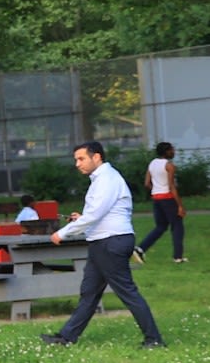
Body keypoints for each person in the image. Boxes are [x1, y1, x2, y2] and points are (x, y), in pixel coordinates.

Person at [41, 141, 165, 348]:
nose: (77, 164)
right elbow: (98, 213)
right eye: (76, 160)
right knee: (89, 292)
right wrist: (81, 218)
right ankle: (66, 337)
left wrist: (62, 233)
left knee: (127, 292)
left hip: (111, 242)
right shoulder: (101, 179)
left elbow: (95, 214)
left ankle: (154, 339)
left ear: (96, 157)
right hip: (103, 241)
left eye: (81, 159)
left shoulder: (107, 179)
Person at [135, 141, 186, 263]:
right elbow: (172, 186)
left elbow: (147, 183)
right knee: (177, 227)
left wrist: (157, 190)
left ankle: (140, 248)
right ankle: (178, 257)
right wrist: (180, 206)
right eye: (172, 149)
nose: (174, 151)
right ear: (167, 151)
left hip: (156, 198)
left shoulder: (152, 164)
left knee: (161, 227)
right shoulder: (169, 166)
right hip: (168, 198)